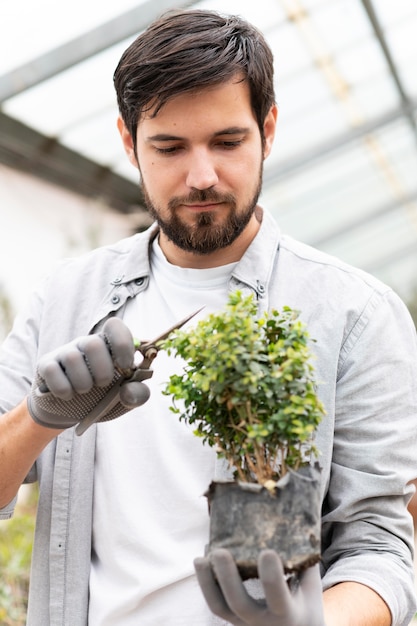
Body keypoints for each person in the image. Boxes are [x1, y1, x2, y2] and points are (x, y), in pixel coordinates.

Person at [0, 8, 416, 626]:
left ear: (267, 130)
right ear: (127, 141)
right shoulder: (66, 298)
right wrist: (39, 418)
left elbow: (381, 544)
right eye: (169, 147)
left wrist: (316, 623)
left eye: (228, 142)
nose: (202, 176)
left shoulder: (353, 312)